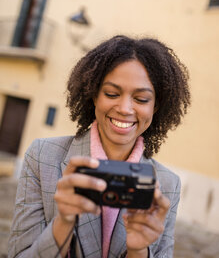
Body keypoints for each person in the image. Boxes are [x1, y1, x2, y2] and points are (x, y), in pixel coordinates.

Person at [8, 35, 191, 258]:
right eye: (111, 94)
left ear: (156, 107)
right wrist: (63, 223)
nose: (125, 108)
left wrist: (139, 250)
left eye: (141, 99)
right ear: (94, 95)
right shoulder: (42, 156)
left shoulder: (168, 184)